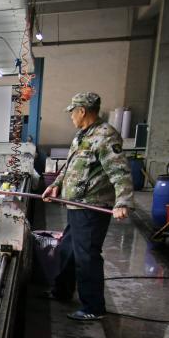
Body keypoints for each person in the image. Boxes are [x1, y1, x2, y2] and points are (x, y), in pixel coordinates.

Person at [43, 92, 132, 322]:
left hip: (92, 208)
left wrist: (122, 201)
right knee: (67, 250)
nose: (71, 116)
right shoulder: (82, 135)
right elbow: (70, 167)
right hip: (76, 206)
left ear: (82, 110)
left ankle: (93, 307)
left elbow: (120, 171)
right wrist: (55, 185)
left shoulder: (105, 136)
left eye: (73, 111)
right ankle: (62, 291)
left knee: (87, 257)